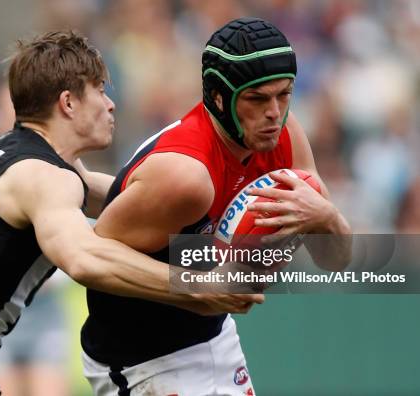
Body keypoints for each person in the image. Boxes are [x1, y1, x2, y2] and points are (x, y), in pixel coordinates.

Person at [0, 31, 263, 396]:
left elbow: (125, 196)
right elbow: (85, 258)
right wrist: (198, 286)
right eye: (101, 90)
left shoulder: (21, 157)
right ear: (68, 102)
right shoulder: (44, 177)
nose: (111, 104)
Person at [80, 17, 352, 396]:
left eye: (284, 94)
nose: (275, 112)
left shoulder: (285, 139)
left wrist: (327, 218)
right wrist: (197, 286)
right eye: (257, 99)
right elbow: (92, 259)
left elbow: (336, 260)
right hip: (141, 360)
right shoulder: (185, 177)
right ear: (219, 97)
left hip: (216, 339)